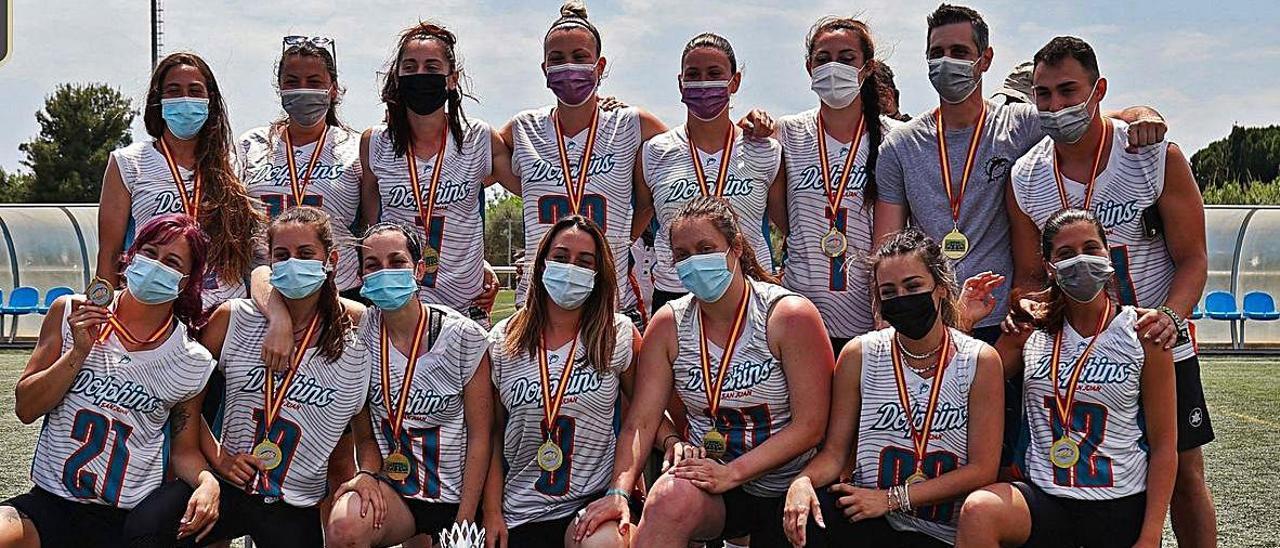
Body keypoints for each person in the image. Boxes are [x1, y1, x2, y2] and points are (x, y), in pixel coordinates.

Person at [1007, 36, 1214, 547]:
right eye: (1043, 94)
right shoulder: (1025, 174)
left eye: (1067, 91)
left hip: (1158, 343)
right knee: (1079, 481)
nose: (1055, 106)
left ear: (1098, 90)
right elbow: (1031, 274)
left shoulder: (1152, 154)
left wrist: (1170, 314)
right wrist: (1027, 304)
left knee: (1186, 477)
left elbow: (1193, 259)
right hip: (1074, 352)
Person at [871, 3, 1168, 346]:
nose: (946, 62)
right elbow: (887, 247)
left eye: (959, 51)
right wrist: (885, 322)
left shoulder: (1022, 124)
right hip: (930, 320)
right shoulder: (899, 145)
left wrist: (1141, 114)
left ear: (985, 59)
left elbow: (1088, 118)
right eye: (936, 53)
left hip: (1004, 324)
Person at [576, 196, 832, 547]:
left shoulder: (787, 315)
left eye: (705, 248)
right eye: (682, 255)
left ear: (736, 247)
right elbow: (641, 422)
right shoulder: (668, 323)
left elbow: (811, 427)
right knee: (668, 498)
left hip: (786, 484)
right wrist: (619, 491)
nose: (694, 261)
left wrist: (733, 473)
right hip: (713, 482)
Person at [954, 208, 1177, 548]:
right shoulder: (1029, 329)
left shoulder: (1143, 334)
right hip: (1045, 499)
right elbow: (961, 387)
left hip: (1118, 501)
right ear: (1049, 267)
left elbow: (1164, 446)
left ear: (1108, 253)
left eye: (1091, 248)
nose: (1081, 260)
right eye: (1066, 254)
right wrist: (964, 324)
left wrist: (1150, 536)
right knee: (979, 511)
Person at [1, 214, 220, 546]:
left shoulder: (191, 359)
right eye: (149, 252)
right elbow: (26, 408)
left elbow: (183, 450)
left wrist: (208, 482)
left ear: (185, 282)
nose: (156, 265)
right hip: (50, 503)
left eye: (171, 261)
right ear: (131, 255)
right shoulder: (71, 311)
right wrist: (77, 352)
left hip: (124, 520)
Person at [782, 227, 1003, 547]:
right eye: (889, 291)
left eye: (913, 286)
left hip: (939, 530)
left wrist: (892, 498)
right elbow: (834, 453)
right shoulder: (859, 354)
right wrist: (802, 481)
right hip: (873, 518)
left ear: (941, 288)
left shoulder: (980, 360)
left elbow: (982, 470)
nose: (902, 298)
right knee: (811, 513)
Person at [178, 206, 368, 547]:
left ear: (331, 260)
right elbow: (185, 397)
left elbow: (348, 452)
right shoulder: (234, 318)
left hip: (293, 501)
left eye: (306, 254)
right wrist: (218, 456)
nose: (293, 263)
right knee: (150, 525)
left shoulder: (355, 328)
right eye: (282, 255)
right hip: (231, 482)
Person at [324, 222, 493, 547]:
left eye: (396, 262)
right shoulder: (359, 340)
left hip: (460, 495)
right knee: (345, 526)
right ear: (360, 277)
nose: (384, 272)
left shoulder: (462, 336)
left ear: (418, 269)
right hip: (399, 492)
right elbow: (365, 437)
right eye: (373, 265)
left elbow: (481, 436)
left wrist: (466, 519)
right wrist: (368, 475)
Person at [501, 0, 668, 325]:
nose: (569, 67)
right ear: (544, 68)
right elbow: (464, 154)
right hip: (536, 307)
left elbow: (692, 151)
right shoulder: (524, 129)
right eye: (558, 59)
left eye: (580, 57)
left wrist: (621, 240)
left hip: (612, 305)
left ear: (600, 65)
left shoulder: (630, 124)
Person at [483, 215, 644, 548]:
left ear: (599, 274)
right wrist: (492, 511)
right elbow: (493, 436)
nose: (571, 268)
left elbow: (644, 416)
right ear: (542, 264)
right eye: (560, 257)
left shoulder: (618, 335)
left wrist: (623, 486)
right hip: (521, 508)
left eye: (585, 262)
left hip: (590, 501)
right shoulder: (503, 340)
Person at [362, 22, 505, 328]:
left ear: (451, 79)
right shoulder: (375, 142)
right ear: (397, 79)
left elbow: (537, 179)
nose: (420, 75)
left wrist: (596, 107)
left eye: (432, 66)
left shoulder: (479, 138)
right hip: (401, 304)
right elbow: (373, 228)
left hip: (467, 305)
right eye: (410, 67)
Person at [775, 16, 903, 355]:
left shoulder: (895, 138)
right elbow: (779, 215)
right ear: (809, 67)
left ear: (867, 68)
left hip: (871, 316)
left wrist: (884, 313)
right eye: (823, 58)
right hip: (802, 312)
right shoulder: (787, 132)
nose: (834, 67)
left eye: (847, 58)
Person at [97, 52, 264, 313]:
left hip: (224, 308)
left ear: (210, 102)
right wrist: (101, 308)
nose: (185, 99)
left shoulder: (233, 162)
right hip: (155, 305)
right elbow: (109, 253)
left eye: (195, 91)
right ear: (158, 101)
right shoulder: (128, 162)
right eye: (173, 91)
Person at [641, 33, 784, 315]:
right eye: (693, 75)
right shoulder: (654, 151)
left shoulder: (767, 151)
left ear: (735, 82)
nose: (703, 83)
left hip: (750, 291)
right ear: (680, 83)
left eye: (714, 73)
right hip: (674, 293)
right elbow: (634, 223)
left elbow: (790, 229)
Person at [240, 36, 362, 298]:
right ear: (280, 88)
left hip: (338, 288)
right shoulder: (251, 144)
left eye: (314, 82)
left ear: (334, 89)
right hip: (265, 287)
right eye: (292, 82)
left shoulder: (356, 147)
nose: (302, 89)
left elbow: (371, 222)